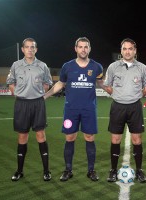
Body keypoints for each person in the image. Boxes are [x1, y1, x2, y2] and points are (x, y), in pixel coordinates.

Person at [44, 37, 104, 182]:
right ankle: (68, 170)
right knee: (70, 137)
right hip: (71, 109)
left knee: (89, 137)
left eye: (86, 47)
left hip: (89, 109)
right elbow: (61, 83)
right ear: (76, 49)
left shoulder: (97, 67)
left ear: (89, 49)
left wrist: (117, 93)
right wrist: (45, 96)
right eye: (80, 47)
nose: (83, 49)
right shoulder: (67, 66)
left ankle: (91, 170)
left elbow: (103, 84)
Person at [104, 38, 146, 183]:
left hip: (135, 107)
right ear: (121, 51)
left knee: (137, 139)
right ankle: (112, 170)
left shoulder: (142, 68)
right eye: (124, 49)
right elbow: (107, 86)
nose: (127, 51)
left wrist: (137, 96)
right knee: (115, 139)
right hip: (117, 106)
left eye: (130, 48)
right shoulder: (113, 67)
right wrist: (117, 94)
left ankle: (139, 171)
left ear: (135, 51)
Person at [6, 38, 53, 181]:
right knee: (22, 136)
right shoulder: (16, 65)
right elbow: (10, 83)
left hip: (38, 104)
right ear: (23, 49)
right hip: (21, 104)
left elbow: (47, 84)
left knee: (40, 135)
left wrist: (38, 96)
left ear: (36, 49)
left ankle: (46, 171)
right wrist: (19, 95)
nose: (30, 49)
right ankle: (19, 171)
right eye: (27, 47)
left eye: (32, 47)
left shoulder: (43, 65)